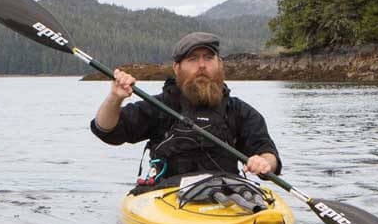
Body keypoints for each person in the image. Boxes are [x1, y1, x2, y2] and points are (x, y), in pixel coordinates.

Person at [92, 32, 279, 181]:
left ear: (220, 64)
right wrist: (115, 98)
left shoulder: (239, 111)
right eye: (192, 59)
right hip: (166, 198)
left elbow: (269, 155)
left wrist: (264, 163)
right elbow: (106, 130)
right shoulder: (159, 107)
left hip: (225, 194)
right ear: (176, 68)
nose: (202, 65)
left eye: (208, 57)